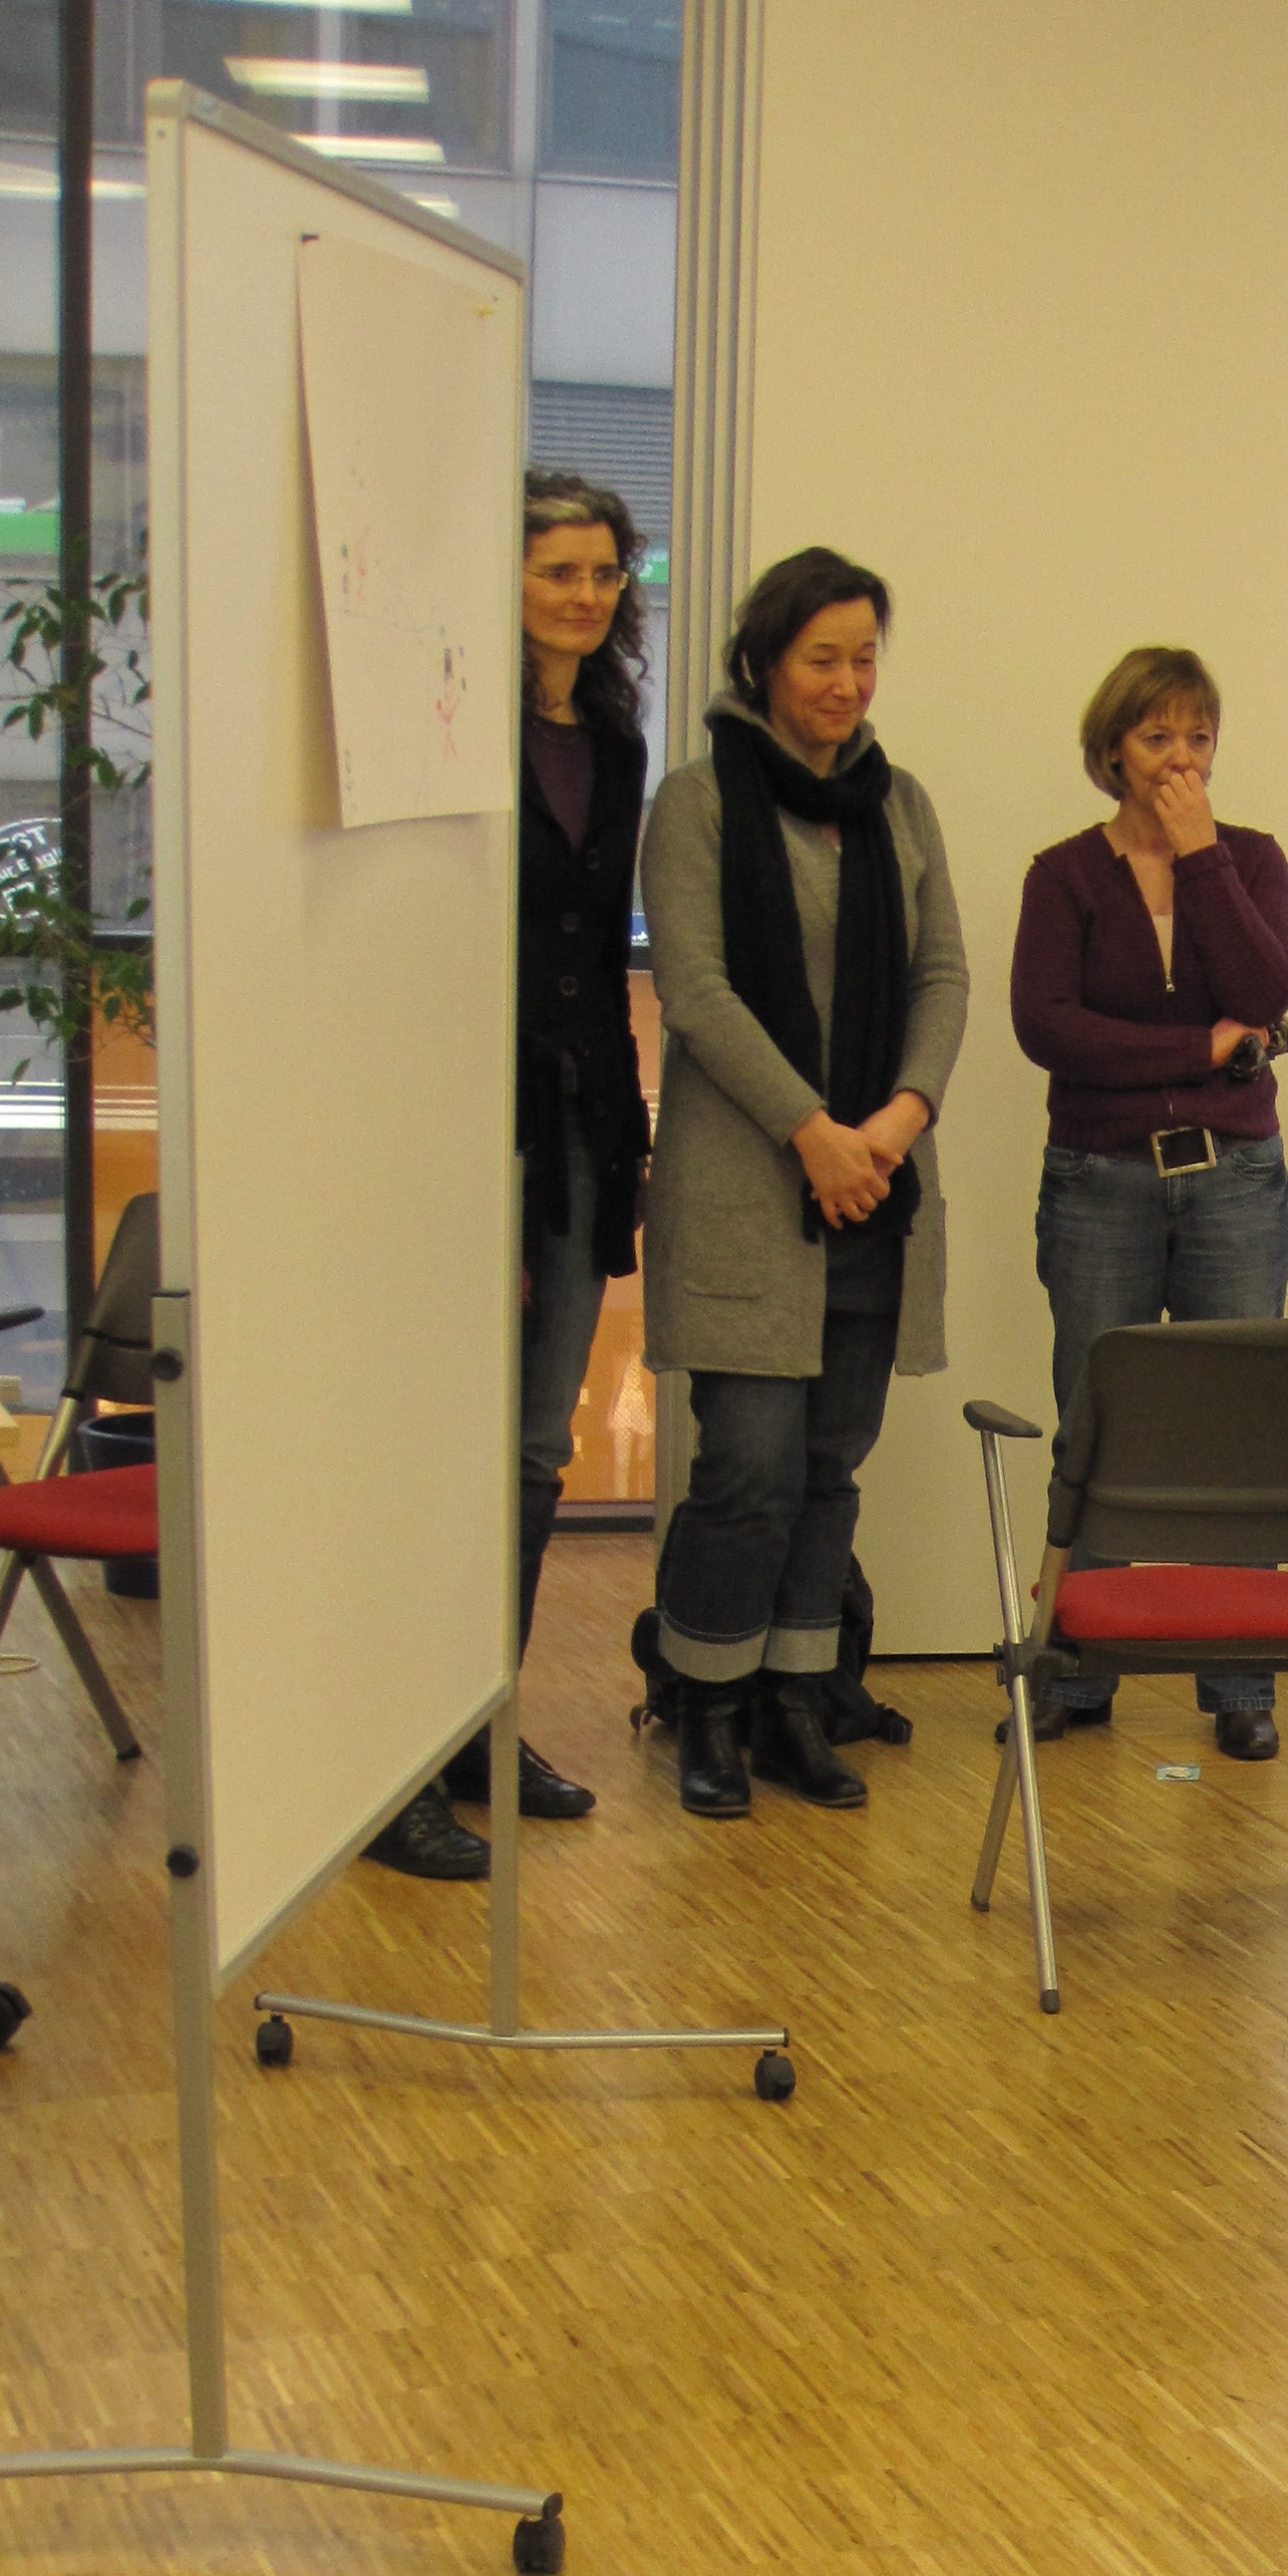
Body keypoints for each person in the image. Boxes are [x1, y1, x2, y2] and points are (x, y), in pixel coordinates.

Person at [642, 546, 968, 1818]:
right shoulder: (699, 802)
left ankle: (794, 1699)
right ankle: (706, 1707)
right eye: (821, 658)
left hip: (878, 1184)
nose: (846, 682)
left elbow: (942, 976)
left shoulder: (902, 804)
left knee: (831, 1464)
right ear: (764, 661)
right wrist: (811, 1131)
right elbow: (694, 989)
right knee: (750, 1467)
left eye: (864, 657)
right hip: (750, 1185)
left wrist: (897, 1117)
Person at [367, 473, 657, 1881]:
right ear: (505, 581)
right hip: (464, 1126)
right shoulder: (445, 727)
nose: (585, 595)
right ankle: (392, 1759)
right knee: (445, 1450)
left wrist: (623, 1127)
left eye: (604, 572)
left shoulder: (614, 737)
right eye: (558, 571)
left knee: (539, 1446)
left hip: (583, 1118)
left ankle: (481, 1721)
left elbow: (597, 954)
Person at [1011, 647, 1288, 1762]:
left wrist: (1202, 857)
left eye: (1198, 735)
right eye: (1157, 736)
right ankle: (1077, 1671)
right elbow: (1051, 1028)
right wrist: (1200, 1049)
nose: (1182, 758)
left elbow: (1268, 989)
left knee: (1240, 1425)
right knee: (1098, 1419)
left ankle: (1240, 1682)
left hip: (1234, 1178)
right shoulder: (1064, 876)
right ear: (1112, 752)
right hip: (1101, 1178)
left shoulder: (1250, 860)